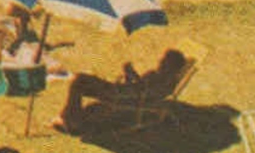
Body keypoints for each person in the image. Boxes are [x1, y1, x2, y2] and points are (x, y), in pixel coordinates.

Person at [50, 48, 190, 134]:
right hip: (122, 91)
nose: (160, 61)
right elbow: (138, 86)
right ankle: (70, 118)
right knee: (80, 81)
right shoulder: (159, 76)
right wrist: (130, 74)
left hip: (119, 94)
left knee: (80, 81)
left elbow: (144, 91)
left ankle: (71, 120)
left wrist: (132, 75)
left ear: (171, 64)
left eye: (164, 60)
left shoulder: (164, 80)